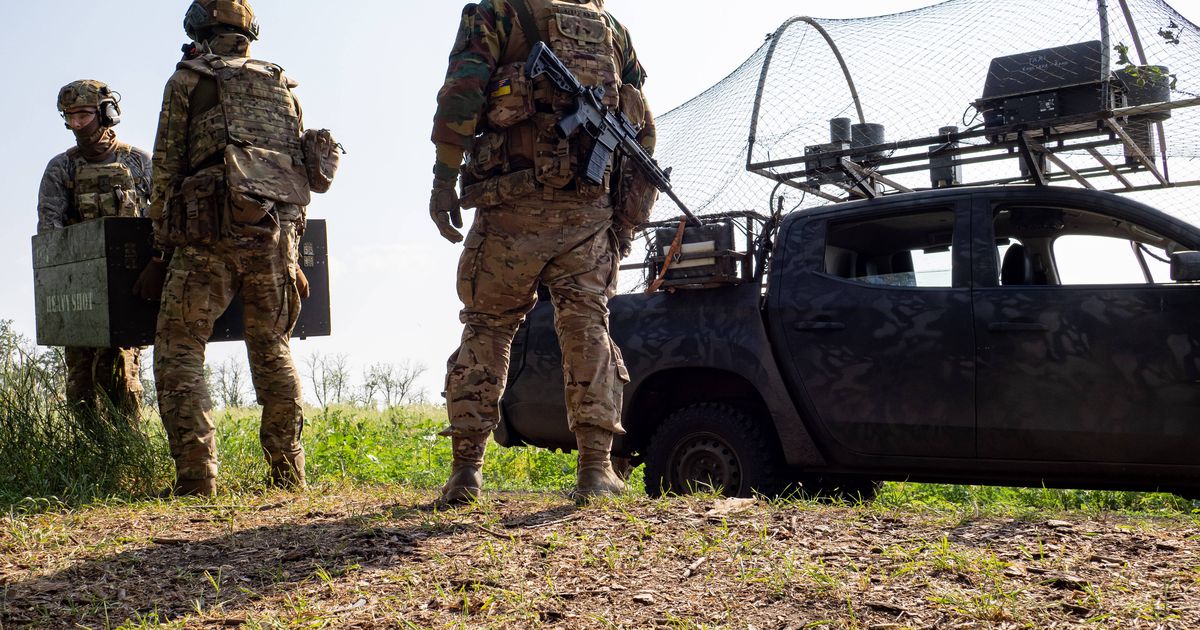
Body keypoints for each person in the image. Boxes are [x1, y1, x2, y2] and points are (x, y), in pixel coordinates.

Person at [431, 0, 657, 505]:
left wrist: (444, 180)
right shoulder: (613, 30)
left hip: (513, 206)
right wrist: (624, 216)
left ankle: (466, 472)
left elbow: (462, 95)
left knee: (487, 327)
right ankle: (595, 469)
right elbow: (643, 127)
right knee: (588, 328)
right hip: (588, 212)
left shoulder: (498, 12)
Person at [134, 0, 311, 497]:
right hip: (276, 233)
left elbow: (166, 171)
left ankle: (197, 479)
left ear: (197, 29)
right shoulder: (283, 85)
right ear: (250, 31)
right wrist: (292, 254)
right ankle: (288, 475)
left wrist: (158, 254)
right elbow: (299, 169)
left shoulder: (187, 80)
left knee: (179, 350)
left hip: (205, 232)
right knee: (273, 349)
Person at [38, 80, 151, 425]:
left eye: (84, 114)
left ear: (106, 113)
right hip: (81, 288)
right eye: (69, 116)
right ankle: (92, 458)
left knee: (120, 375)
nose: (77, 124)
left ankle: (129, 457)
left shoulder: (139, 163)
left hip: (129, 287)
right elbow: (49, 233)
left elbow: (159, 223)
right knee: (80, 384)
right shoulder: (62, 168)